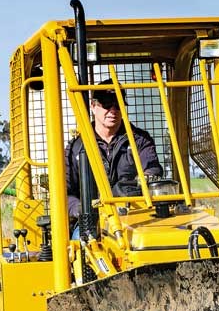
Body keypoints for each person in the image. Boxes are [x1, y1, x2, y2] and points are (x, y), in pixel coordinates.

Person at [64, 79, 163, 218]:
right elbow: (64, 190)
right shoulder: (77, 147)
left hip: (133, 213)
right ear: (93, 106)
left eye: (118, 106)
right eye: (107, 105)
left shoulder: (139, 140)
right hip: (92, 218)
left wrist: (141, 181)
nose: (113, 111)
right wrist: (81, 209)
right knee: (79, 238)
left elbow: (152, 169)